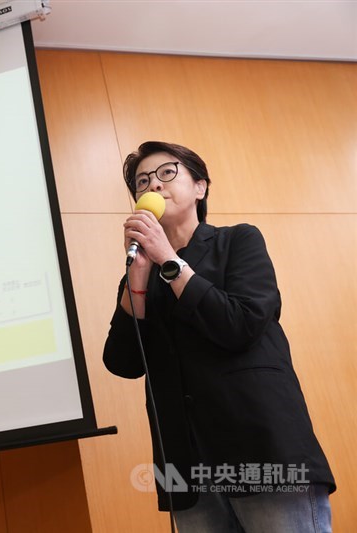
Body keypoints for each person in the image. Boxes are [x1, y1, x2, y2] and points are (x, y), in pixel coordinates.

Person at [102, 141, 336, 532]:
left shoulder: (238, 241)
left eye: (166, 173)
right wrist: (137, 284)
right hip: (183, 470)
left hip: (263, 450)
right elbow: (122, 363)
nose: (154, 186)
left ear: (200, 187)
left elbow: (240, 324)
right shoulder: (140, 274)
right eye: (142, 182)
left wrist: (170, 262)